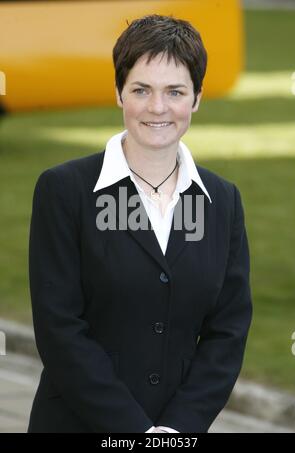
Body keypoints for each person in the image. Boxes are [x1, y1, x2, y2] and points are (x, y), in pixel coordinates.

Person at [28, 14, 252, 433]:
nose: (158, 107)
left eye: (175, 91)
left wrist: (175, 432)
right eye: (141, 89)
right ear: (118, 93)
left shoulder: (222, 201)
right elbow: (60, 331)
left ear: (197, 98)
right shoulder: (65, 190)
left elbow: (228, 332)